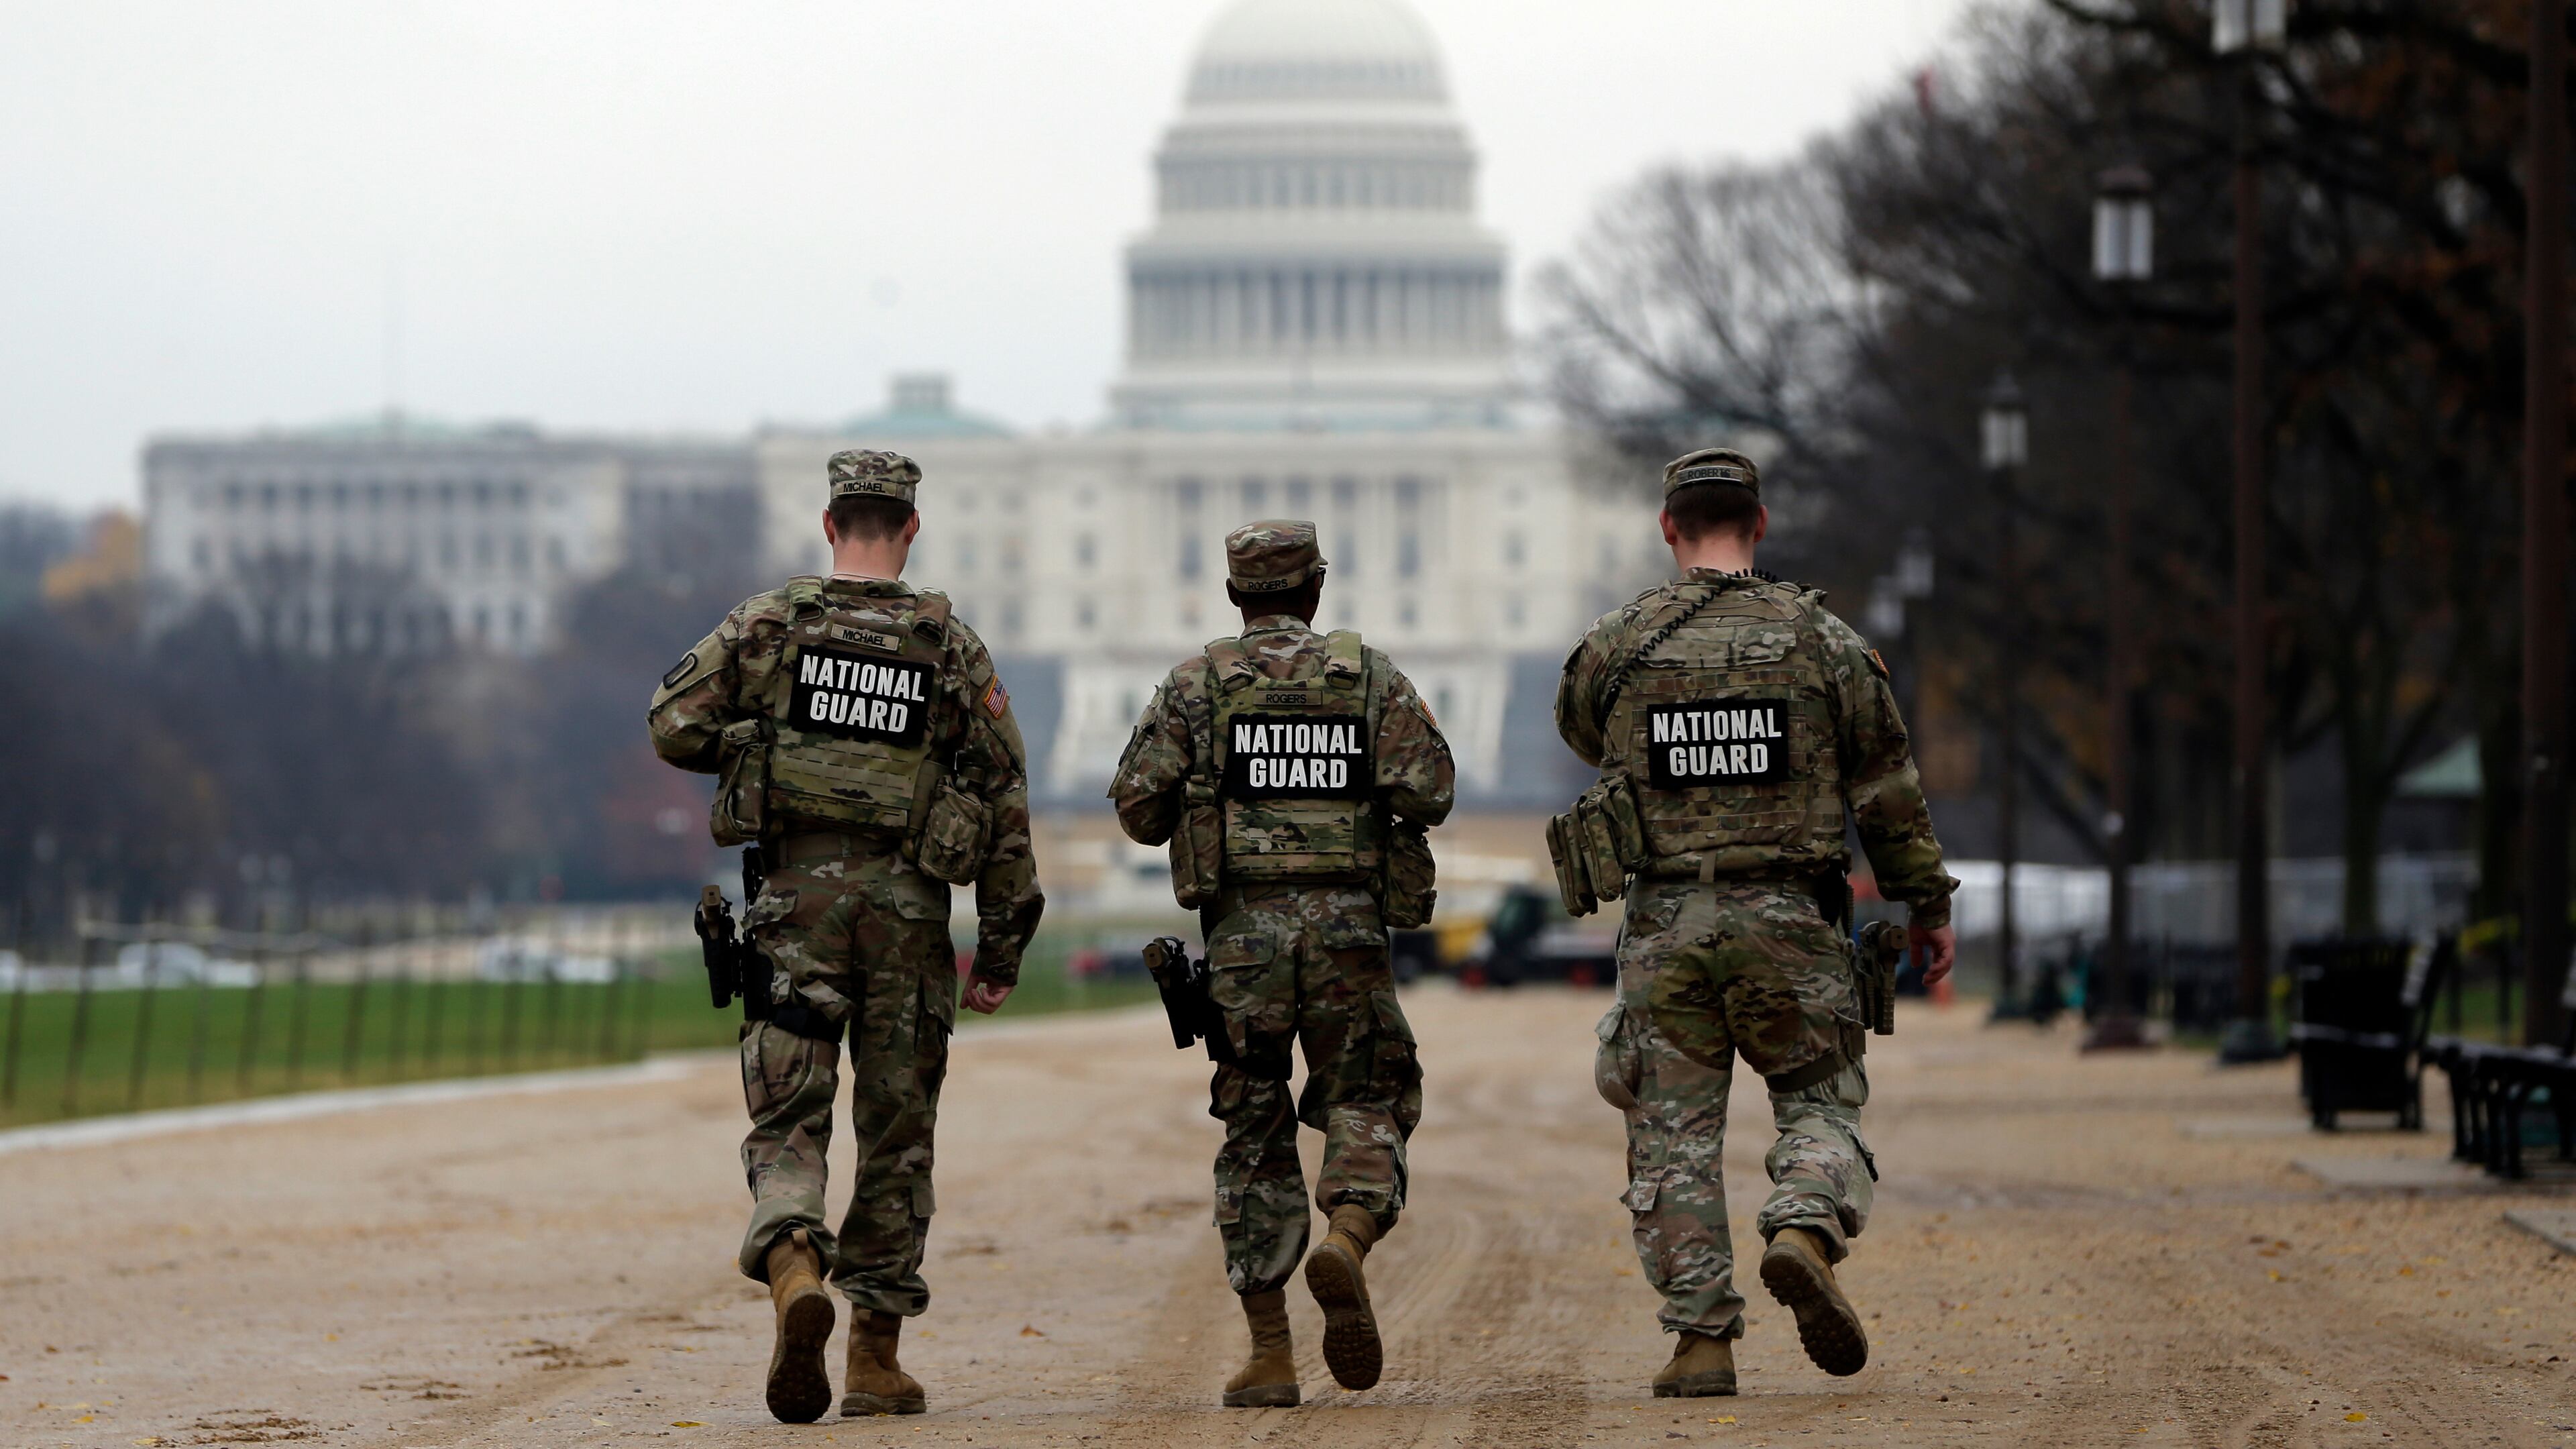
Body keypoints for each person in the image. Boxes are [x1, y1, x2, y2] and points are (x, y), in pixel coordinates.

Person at [646, 449, 1042, 1422]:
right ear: (909, 530)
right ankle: (873, 1357)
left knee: (790, 1110)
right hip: (908, 920)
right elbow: (1004, 800)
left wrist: (764, 748)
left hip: (796, 909)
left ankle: (791, 1261)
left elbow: (672, 724)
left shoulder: (770, 623)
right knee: (897, 1133)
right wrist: (999, 950)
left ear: (831, 525)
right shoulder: (951, 647)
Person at [1553, 447, 1955, 1397]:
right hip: (1791, 917)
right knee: (1820, 1101)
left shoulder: (1616, 646)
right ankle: (1804, 1226)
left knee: (1672, 1135)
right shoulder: (1826, 642)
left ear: (1669, 529)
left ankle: (1700, 1342)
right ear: (1760, 523)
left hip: (1668, 924)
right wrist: (1926, 905)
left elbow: (1581, 735)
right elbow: (1887, 789)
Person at [1109, 520, 1454, 1407]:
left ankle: (1269, 1356)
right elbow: (1433, 791)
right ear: (1316, 588)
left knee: (1253, 1134)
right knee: (1369, 1095)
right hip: (1348, 934)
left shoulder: (1196, 685)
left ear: (1234, 594)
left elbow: (1139, 811)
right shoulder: (1369, 676)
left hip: (1243, 947)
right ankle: (1346, 1233)